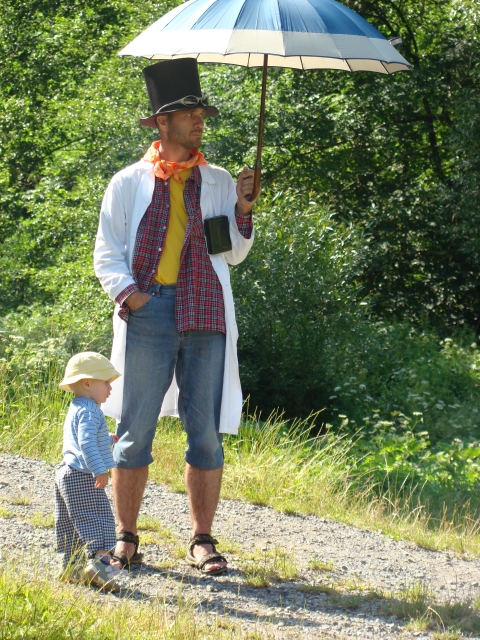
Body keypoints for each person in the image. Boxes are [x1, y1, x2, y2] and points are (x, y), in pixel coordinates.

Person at [94, 58, 257, 575]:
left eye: (202, 113)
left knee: (204, 431)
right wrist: (131, 297)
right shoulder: (128, 181)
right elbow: (107, 251)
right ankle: (125, 538)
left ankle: (202, 540)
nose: (200, 121)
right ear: (163, 123)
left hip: (206, 310)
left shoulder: (219, 180)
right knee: (134, 429)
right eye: (190, 114)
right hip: (150, 310)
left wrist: (243, 209)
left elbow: (232, 253)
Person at [55, 351, 124, 592]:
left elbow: (83, 437)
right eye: (106, 383)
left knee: (71, 521)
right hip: (83, 473)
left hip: (66, 471)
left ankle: (71, 567)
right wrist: (99, 470)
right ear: (87, 383)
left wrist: (107, 438)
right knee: (99, 518)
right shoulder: (92, 410)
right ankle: (101, 568)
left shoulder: (77, 406)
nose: (110, 388)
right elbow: (86, 443)